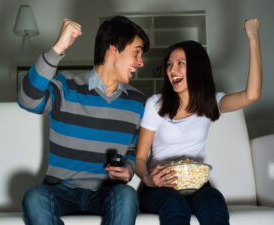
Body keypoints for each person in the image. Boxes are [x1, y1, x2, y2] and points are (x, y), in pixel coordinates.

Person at [18, 16, 149, 225]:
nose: (140, 63)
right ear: (113, 48)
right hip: (60, 190)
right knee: (34, 197)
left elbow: (134, 149)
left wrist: (128, 169)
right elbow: (27, 99)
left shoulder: (138, 102)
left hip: (106, 194)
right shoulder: (65, 86)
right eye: (136, 52)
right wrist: (58, 48)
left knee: (127, 195)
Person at [135, 18, 261, 225]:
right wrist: (149, 179)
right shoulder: (155, 104)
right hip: (160, 187)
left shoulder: (211, 102)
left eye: (180, 64)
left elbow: (252, 95)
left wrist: (253, 37)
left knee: (214, 202)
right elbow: (140, 158)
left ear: (196, 68)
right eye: (169, 65)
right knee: (175, 206)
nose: (172, 70)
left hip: (197, 185)